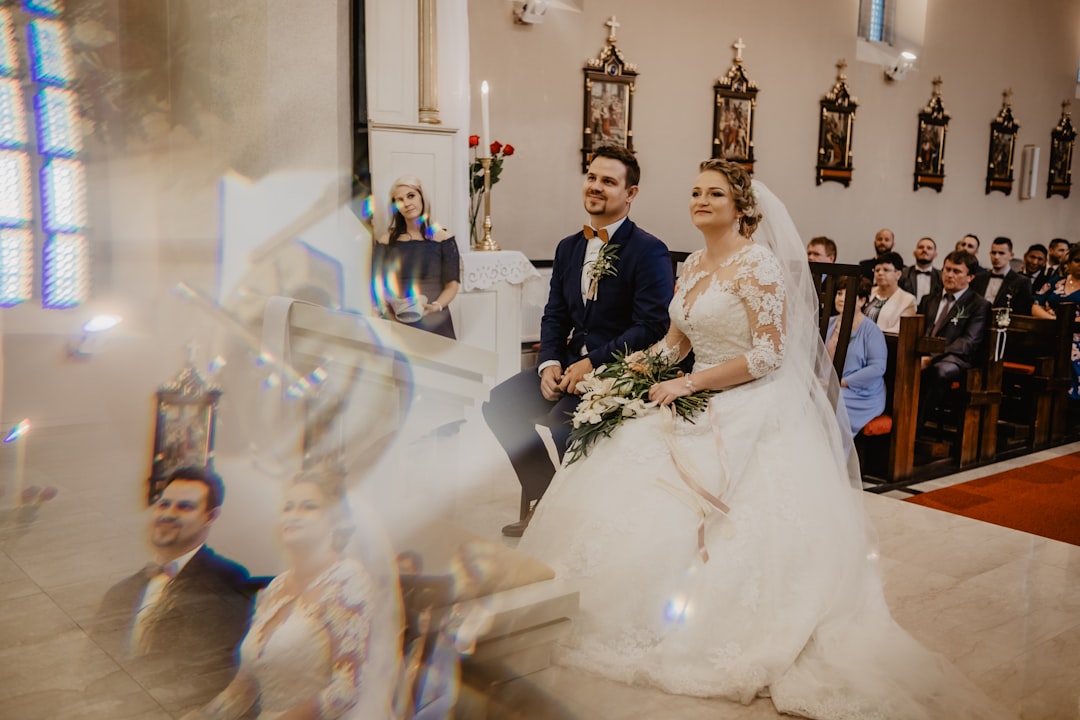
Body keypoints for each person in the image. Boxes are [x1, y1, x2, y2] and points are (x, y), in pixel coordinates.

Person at [518, 160, 1012, 719]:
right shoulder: (693, 264)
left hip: (748, 401)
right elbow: (673, 345)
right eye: (695, 191)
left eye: (714, 193)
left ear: (741, 206)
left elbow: (767, 354)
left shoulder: (759, 267)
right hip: (688, 386)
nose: (700, 200)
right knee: (622, 451)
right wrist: (623, 375)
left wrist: (691, 382)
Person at [482, 145, 674, 537]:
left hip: (619, 371)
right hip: (567, 365)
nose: (596, 187)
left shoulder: (648, 250)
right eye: (592, 177)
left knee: (561, 424)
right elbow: (554, 313)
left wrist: (593, 363)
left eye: (608, 181)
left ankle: (570, 519)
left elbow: (651, 325)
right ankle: (547, 497)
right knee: (500, 405)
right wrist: (549, 362)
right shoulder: (568, 247)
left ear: (630, 193)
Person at [185, 469, 390, 720]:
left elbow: (346, 689)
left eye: (308, 507)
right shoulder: (275, 589)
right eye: (288, 507)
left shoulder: (348, 581)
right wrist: (205, 716)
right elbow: (245, 688)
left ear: (334, 521)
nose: (293, 516)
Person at [93, 467, 252, 713]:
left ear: (210, 516)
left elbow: (205, 675)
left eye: (184, 507)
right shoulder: (119, 593)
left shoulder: (228, 580)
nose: (168, 514)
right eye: (164, 504)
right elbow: (91, 668)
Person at [372, 176, 461, 338]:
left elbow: (452, 285)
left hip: (436, 320)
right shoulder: (385, 241)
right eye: (399, 200)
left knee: (439, 363)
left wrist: (436, 306)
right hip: (399, 320)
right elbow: (377, 283)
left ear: (422, 197)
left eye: (411, 195)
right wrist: (389, 308)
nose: (406, 203)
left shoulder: (443, 239)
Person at [916, 251, 992, 432]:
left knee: (938, 372)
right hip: (925, 353)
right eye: (947, 269)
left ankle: (914, 427)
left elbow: (968, 342)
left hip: (956, 359)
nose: (949, 275)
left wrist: (931, 357)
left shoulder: (978, 304)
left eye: (957, 271)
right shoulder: (929, 299)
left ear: (970, 277)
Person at [828, 279, 887, 435]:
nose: (840, 298)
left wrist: (843, 382)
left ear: (862, 301)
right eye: (839, 293)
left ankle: (835, 454)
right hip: (830, 385)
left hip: (863, 394)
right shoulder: (829, 324)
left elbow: (877, 368)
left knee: (828, 401)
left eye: (847, 294)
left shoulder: (871, 330)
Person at [1032, 243, 1080, 400]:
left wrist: (1066, 324)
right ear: (1069, 263)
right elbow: (1035, 306)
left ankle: (1070, 401)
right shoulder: (1055, 282)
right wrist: (1055, 321)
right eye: (1077, 260)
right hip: (1050, 330)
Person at [971, 236, 1033, 314]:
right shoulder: (978, 278)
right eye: (993, 253)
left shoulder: (1022, 282)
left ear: (1011, 255)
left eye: (1001, 253)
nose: (996, 257)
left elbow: (1023, 313)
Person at [864, 251, 917, 333]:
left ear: (898, 274)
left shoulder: (908, 300)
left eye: (886, 270)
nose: (880, 273)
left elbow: (899, 330)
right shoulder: (868, 291)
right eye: (877, 270)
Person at [899, 236, 941, 306]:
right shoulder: (903, 274)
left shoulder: (941, 276)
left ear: (935, 254)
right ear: (914, 253)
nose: (924, 250)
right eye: (921, 247)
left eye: (929, 248)